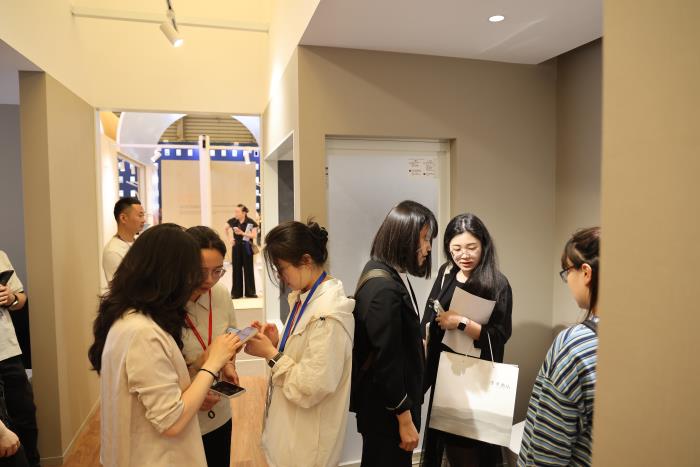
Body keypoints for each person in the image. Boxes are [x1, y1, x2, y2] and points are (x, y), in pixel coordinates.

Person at [88, 224, 241, 467]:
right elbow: (171, 420)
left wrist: (203, 364)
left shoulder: (132, 319)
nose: (199, 282)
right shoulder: (143, 332)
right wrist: (212, 363)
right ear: (167, 274)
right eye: (192, 273)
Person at [244, 220, 355, 467]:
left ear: (306, 260)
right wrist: (277, 343)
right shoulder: (306, 296)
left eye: (281, 269)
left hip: (307, 444)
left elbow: (312, 386)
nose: (281, 278)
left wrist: (271, 354)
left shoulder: (329, 314)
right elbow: (305, 358)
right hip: (291, 431)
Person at [421, 213, 513, 467]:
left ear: (484, 245)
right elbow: (430, 312)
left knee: (469, 452)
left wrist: (461, 322)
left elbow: (500, 335)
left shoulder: (497, 283)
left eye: (472, 247)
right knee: (445, 447)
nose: (464, 255)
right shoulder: (446, 273)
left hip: (476, 380)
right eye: (457, 248)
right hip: (446, 374)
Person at [351, 200, 438, 467]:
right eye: (425, 238)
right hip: (388, 415)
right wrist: (405, 418)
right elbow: (386, 362)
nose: (428, 247)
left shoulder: (382, 271)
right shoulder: (384, 287)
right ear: (404, 238)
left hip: (384, 410)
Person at [518, 227, 600, 467]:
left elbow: (545, 450)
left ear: (586, 272)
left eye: (567, 272)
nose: (567, 281)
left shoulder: (573, 346)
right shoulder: (643, 341)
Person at [182, 226, 239, 467]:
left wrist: (228, 364)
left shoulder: (221, 293)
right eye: (201, 271)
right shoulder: (165, 304)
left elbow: (231, 334)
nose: (209, 280)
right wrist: (190, 389)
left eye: (217, 271)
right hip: (183, 417)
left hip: (219, 410)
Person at [0, 251, 39, 467]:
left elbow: (21, 299)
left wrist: (11, 298)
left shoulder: (1, 256)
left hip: (9, 352)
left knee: (26, 418)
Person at [102, 197, 145, 282]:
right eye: (140, 216)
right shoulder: (113, 251)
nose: (143, 220)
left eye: (143, 215)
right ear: (123, 218)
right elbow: (120, 286)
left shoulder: (140, 242)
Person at [225, 204, 258, 298]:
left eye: (237, 212)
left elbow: (254, 235)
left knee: (248, 269)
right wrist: (230, 239)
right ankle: (236, 293)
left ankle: (250, 292)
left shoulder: (250, 222)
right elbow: (225, 228)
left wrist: (242, 233)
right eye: (235, 211)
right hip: (236, 247)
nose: (235, 213)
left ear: (244, 213)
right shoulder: (233, 221)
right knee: (236, 269)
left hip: (247, 246)